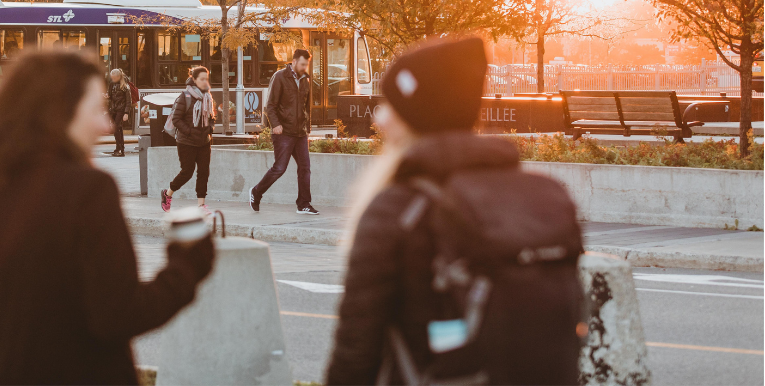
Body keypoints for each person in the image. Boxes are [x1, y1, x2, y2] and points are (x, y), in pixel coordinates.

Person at [326, 38, 583, 385]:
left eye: (390, 107)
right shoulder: (542, 195)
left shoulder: (398, 208)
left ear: (415, 116)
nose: (379, 119)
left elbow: (356, 349)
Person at [0, 50, 215, 385]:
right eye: (95, 109)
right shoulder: (88, 191)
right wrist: (187, 266)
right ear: (59, 113)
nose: (105, 124)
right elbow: (118, 313)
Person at [250, 48, 319, 215]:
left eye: (306, 64)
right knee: (280, 168)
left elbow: (306, 107)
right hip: (283, 132)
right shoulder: (280, 77)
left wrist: (307, 128)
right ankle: (256, 192)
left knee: (305, 168)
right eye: (302, 64)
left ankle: (303, 204)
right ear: (294, 62)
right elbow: (270, 106)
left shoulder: (305, 80)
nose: (304, 67)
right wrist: (275, 124)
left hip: (300, 133)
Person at [161, 66, 215, 215]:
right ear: (194, 79)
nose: (205, 82)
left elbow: (211, 117)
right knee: (187, 172)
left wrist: (210, 128)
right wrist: (190, 132)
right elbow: (177, 119)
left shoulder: (208, 96)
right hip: (187, 141)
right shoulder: (185, 96)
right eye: (202, 79)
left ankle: (201, 205)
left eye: (206, 79)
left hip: (204, 141)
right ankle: (168, 193)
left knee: (204, 172)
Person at [107, 68, 132, 156]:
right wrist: (106, 96)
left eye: (114, 78)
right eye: (112, 78)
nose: (113, 80)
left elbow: (129, 101)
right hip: (113, 110)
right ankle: (120, 148)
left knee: (116, 128)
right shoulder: (111, 84)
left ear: (118, 77)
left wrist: (126, 113)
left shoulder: (125, 86)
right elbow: (110, 96)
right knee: (118, 128)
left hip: (121, 110)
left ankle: (119, 149)